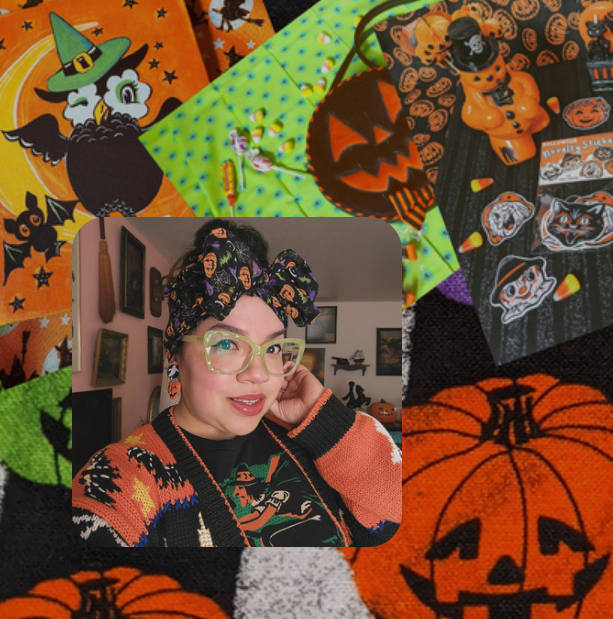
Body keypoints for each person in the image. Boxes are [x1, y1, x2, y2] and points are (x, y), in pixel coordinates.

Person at [71, 219, 401, 546]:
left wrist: (325, 422)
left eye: (272, 348)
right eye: (227, 343)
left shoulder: (306, 439)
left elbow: (390, 525)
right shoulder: (123, 476)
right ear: (176, 355)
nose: (259, 374)